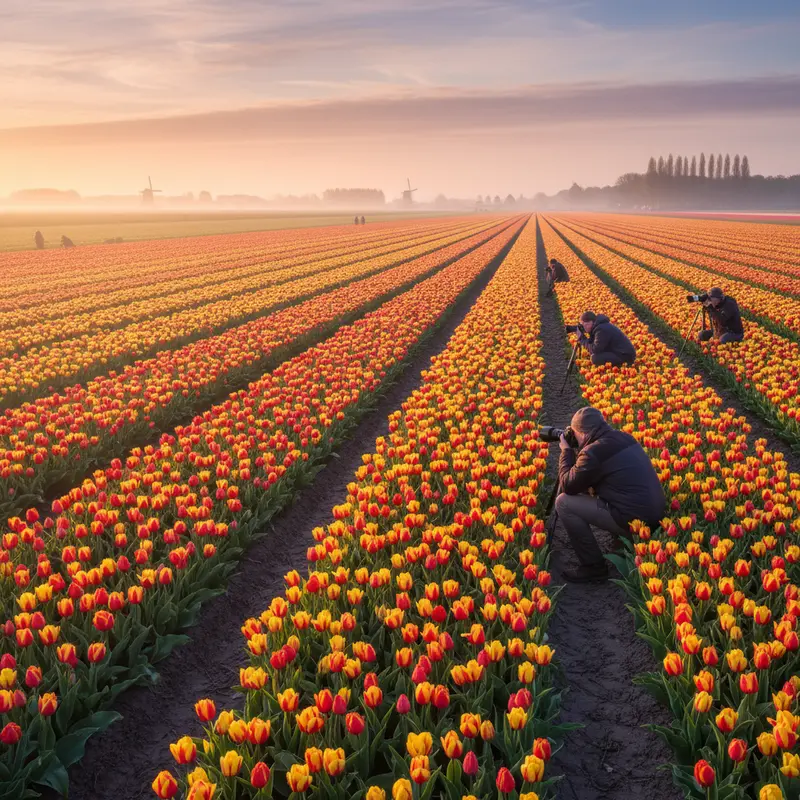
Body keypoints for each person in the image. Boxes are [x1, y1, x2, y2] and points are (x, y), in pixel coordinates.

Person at [555, 407, 665, 582]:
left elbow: (568, 486)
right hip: (656, 517)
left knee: (564, 503)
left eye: (574, 433)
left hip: (634, 522)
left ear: (582, 434)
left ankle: (593, 567)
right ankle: (622, 543)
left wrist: (567, 452)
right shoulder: (625, 437)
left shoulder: (593, 452)